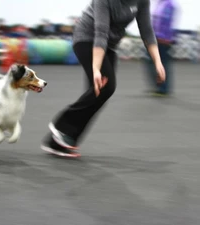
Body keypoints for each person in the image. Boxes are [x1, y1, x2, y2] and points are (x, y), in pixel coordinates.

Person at [40, 0, 166, 158]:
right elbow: (101, 32)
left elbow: (146, 30)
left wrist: (158, 62)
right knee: (107, 87)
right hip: (87, 39)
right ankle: (61, 126)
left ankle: (61, 141)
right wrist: (96, 68)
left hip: (110, 46)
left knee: (98, 92)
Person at [144, 0, 177, 96]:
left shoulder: (168, 4)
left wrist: (165, 37)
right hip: (155, 38)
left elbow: (166, 21)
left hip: (163, 39)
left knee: (162, 63)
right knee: (152, 62)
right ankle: (159, 86)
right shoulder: (160, 3)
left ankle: (163, 88)